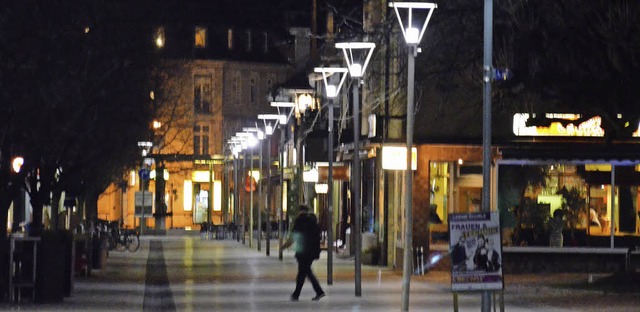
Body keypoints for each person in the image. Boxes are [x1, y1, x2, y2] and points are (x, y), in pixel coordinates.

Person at [282, 204, 325, 301]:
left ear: (300, 211)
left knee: (304, 272)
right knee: (304, 272)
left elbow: (293, 237)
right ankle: (299, 294)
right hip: (312, 251)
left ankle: (315, 292)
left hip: (303, 251)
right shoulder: (314, 222)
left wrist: (284, 246)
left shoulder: (300, 221)